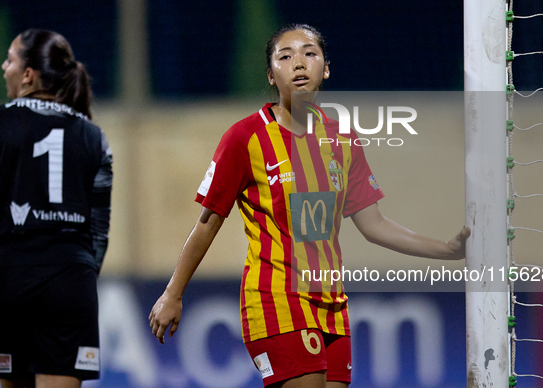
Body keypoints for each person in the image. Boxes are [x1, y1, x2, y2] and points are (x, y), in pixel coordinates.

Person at [149, 23, 470, 388]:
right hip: (276, 299)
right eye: (285, 57)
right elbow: (207, 222)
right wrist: (173, 294)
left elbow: (374, 224)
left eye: (309, 53)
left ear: (326, 68)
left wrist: (446, 250)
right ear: (271, 75)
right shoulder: (245, 137)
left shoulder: (343, 140)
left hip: (331, 305)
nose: (298, 63)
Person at [0, 29, 112, 388]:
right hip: (69, 280)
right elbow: (99, 232)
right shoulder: (94, 136)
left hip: (10, 275)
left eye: (10, 59)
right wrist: (76, 279)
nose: (5, 68)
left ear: (29, 73)